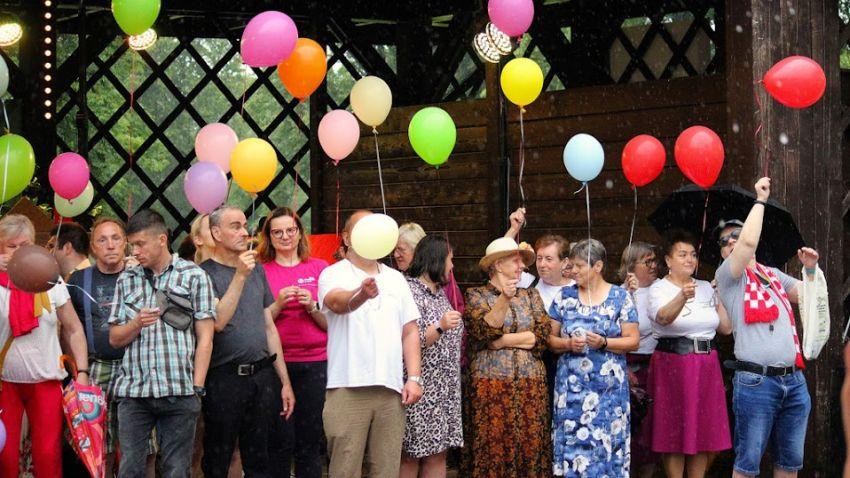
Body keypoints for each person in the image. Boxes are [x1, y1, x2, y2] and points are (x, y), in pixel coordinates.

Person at [714, 178, 819, 478]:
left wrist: (810, 270)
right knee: (747, 466)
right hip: (756, 382)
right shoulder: (727, 276)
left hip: (793, 381)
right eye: (724, 241)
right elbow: (747, 245)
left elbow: (809, 295)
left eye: (736, 235)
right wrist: (760, 200)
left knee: (789, 464)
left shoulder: (772, 274)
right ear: (722, 253)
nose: (731, 242)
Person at [108, 209, 216, 478]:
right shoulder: (126, 279)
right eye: (132, 245)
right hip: (134, 391)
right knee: (130, 469)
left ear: (162, 239)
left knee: (176, 470)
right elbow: (114, 338)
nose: (135, 251)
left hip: (179, 389)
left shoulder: (194, 275)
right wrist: (136, 323)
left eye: (140, 244)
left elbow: (206, 337)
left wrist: (197, 387)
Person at [318, 210, 423, 478]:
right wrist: (361, 294)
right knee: (345, 469)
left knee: (386, 470)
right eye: (362, 227)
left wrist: (414, 378)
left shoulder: (396, 278)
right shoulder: (332, 273)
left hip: (390, 389)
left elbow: (410, 330)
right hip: (346, 386)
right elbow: (336, 303)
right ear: (346, 238)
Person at [199, 206, 296, 477]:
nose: (244, 232)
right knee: (218, 457)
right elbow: (218, 321)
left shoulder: (257, 270)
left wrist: (284, 382)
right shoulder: (203, 274)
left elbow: (268, 326)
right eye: (235, 226)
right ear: (216, 233)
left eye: (244, 225)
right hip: (224, 378)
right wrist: (240, 275)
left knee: (259, 459)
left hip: (262, 376)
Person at [0, 214, 90, 477]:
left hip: (46, 380)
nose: (19, 252)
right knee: (5, 457)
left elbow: (73, 328)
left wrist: (82, 371)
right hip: (5, 382)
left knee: (48, 454)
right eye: (12, 246)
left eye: (25, 245)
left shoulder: (51, 280)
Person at [67, 217, 154, 477]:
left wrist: (142, 272)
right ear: (93, 247)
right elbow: (69, 329)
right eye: (102, 240)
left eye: (116, 238)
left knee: (144, 447)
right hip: (97, 368)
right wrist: (79, 370)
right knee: (97, 445)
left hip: (137, 366)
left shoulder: (143, 275)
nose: (110, 245)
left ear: (125, 242)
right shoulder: (78, 280)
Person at [461, 236, 551, 477]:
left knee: (529, 444)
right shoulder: (476, 295)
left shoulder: (531, 296)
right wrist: (504, 299)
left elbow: (541, 336)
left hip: (531, 386)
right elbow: (484, 331)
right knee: (493, 445)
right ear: (498, 265)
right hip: (490, 386)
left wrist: (502, 341)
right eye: (516, 261)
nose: (522, 266)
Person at [548, 238, 639, 477]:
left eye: (580, 266)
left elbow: (633, 340)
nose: (573, 271)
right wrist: (568, 344)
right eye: (572, 265)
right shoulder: (564, 296)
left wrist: (605, 343)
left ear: (598, 266)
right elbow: (549, 340)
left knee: (606, 447)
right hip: (572, 392)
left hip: (608, 393)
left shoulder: (620, 297)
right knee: (573, 450)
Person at [646, 231, 732, 478]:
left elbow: (726, 328)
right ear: (668, 260)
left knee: (703, 431)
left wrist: (722, 294)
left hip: (707, 364)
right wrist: (682, 296)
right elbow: (663, 317)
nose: (689, 260)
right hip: (674, 364)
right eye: (682, 254)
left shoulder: (705, 287)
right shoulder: (658, 288)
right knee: (674, 431)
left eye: (693, 255)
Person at [257, 206, 328, 478]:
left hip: (315, 363)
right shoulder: (261, 271)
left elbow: (331, 324)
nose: (285, 236)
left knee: (309, 441)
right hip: (275, 365)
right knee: (279, 440)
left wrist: (312, 306)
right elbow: (257, 323)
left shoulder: (319, 268)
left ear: (300, 233)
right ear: (269, 237)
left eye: (290, 230)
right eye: (278, 232)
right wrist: (277, 305)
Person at [400, 235, 464, 478]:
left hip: (444, 388)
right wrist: (440, 326)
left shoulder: (439, 293)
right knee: (410, 455)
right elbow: (409, 340)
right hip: (421, 386)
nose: (452, 266)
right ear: (436, 260)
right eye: (450, 260)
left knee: (438, 453)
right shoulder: (410, 291)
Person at [618, 241, 660, 478]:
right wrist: (628, 295)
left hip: (656, 366)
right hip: (629, 367)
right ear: (631, 265)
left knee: (651, 429)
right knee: (632, 428)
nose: (654, 265)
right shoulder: (618, 293)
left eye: (655, 260)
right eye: (647, 261)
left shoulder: (664, 288)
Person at [394, 222, 465, 313]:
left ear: (417, 250)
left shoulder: (441, 275)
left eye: (401, 249)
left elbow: (457, 308)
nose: (395, 255)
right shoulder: (396, 278)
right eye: (394, 249)